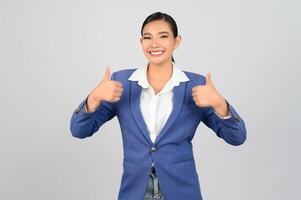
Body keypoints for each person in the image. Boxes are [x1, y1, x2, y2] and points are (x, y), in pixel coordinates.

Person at [70, 11, 247, 200]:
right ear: (141, 43)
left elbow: (237, 137)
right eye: (148, 38)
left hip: (181, 190)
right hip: (135, 190)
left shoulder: (196, 85)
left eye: (163, 36)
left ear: (176, 41)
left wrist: (219, 103)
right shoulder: (121, 82)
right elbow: (79, 131)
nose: (154, 44)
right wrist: (94, 98)